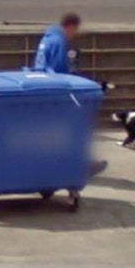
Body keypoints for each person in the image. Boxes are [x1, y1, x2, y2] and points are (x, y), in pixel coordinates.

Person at [34, 12, 108, 177]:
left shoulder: (46, 39)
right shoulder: (59, 41)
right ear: (71, 27)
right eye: (75, 30)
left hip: (42, 91)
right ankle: (81, 165)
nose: (75, 34)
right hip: (55, 94)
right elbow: (60, 72)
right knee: (74, 129)